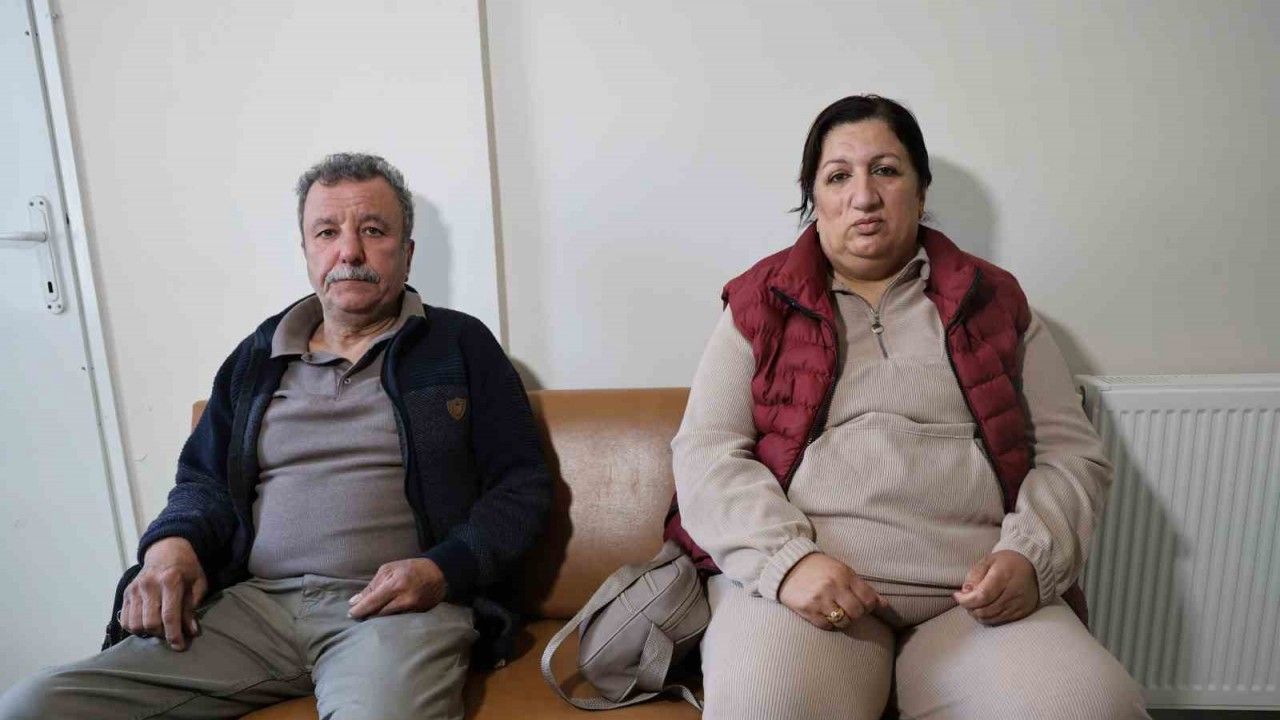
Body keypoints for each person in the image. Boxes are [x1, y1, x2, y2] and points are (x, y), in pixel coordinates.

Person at [0, 153, 552, 719]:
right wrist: (170, 549)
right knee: (34, 706)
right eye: (327, 232)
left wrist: (442, 571)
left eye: (372, 230)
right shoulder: (256, 358)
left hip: (395, 611)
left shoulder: (459, 346)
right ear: (307, 251)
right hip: (252, 611)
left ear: (407, 252)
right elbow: (203, 484)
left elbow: (522, 487)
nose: (349, 252)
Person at [665, 96, 1148, 719]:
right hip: (809, 596)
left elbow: (1071, 454)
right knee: (765, 705)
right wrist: (787, 564)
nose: (863, 196)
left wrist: (1030, 556)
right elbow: (706, 453)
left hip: (973, 602)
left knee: (1092, 707)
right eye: (838, 176)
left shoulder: (994, 301)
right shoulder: (761, 303)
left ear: (920, 192)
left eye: (886, 171)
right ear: (814, 198)